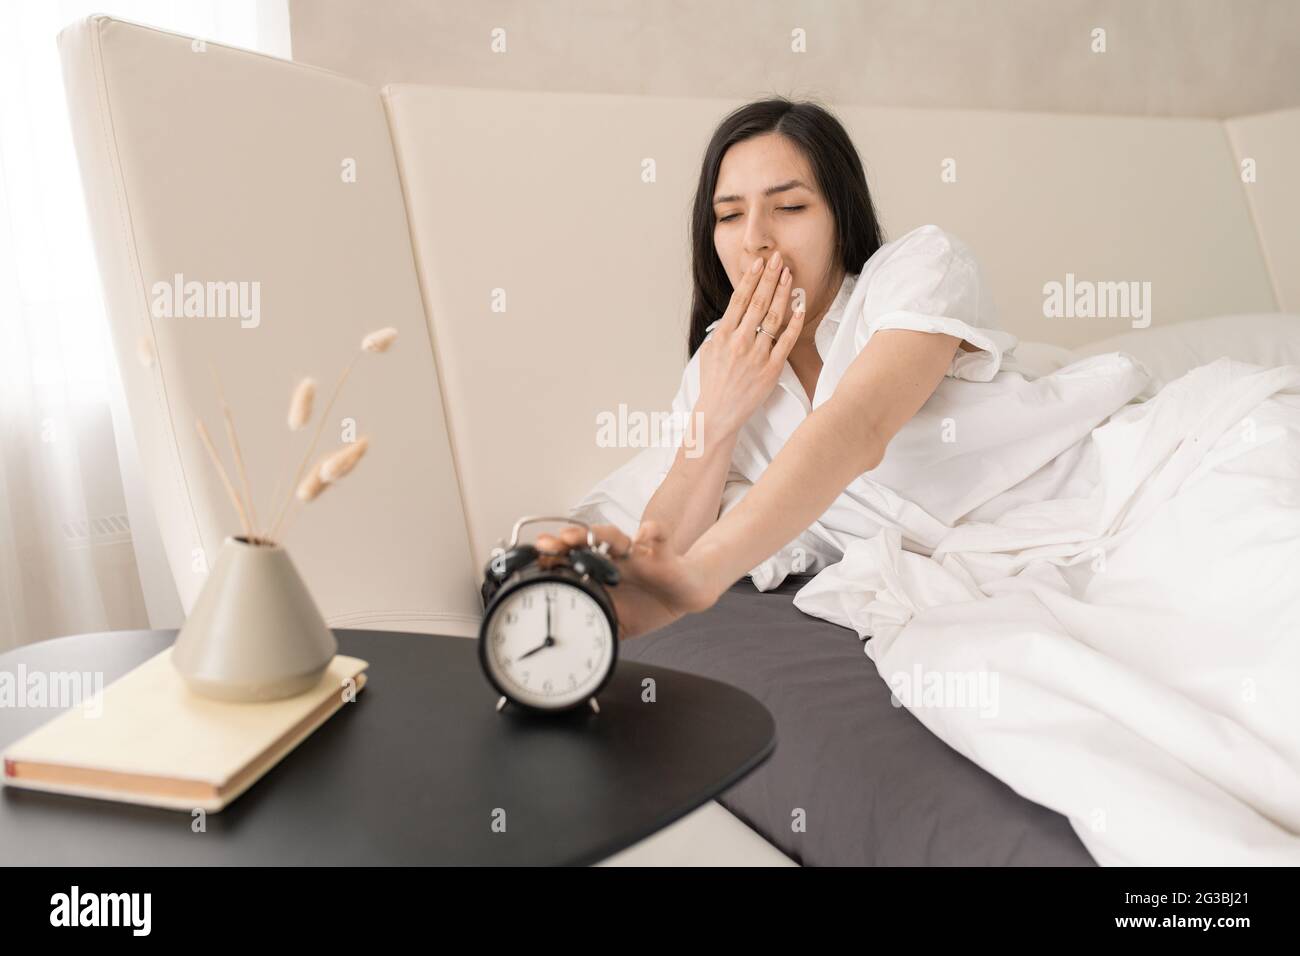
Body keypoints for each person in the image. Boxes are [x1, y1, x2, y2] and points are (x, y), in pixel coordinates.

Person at [542, 97, 1022, 639]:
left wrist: (705, 572)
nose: (754, 240)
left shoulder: (919, 270)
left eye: (789, 208)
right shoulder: (719, 364)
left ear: (842, 217)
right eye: (728, 216)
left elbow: (858, 425)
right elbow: (667, 548)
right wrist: (719, 413)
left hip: (1086, 499)